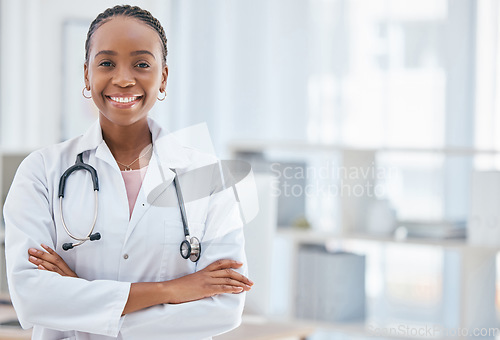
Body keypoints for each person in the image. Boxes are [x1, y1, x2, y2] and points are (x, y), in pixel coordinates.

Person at [3, 5, 252, 340]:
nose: (122, 78)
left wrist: (81, 299)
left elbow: (223, 307)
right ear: (87, 76)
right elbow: (32, 299)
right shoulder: (41, 172)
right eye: (106, 63)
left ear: (163, 77)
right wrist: (173, 289)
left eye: (141, 64)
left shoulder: (208, 177)